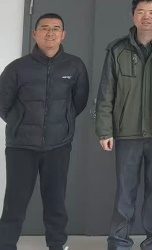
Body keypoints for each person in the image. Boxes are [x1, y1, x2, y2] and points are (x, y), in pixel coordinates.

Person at [0, 13, 90, 250]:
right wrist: (22, 123)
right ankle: (6, 244)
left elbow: (78, 102)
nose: (50, 33)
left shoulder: (75, 66)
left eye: (56, 28)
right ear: (35, 33)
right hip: (21, 147)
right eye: (45, 28)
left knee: (55, 202)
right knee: (15, 203)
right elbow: (3, 105)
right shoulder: (17, 68)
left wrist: (61, 124)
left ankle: (57, 245)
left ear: (63, 34)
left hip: (58, 146)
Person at [95, 0, 152, 250]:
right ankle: (119, 241)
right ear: (133, 16)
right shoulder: (117, 49)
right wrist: (104, 130)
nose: (146, 17)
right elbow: (106, 92)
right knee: (125, 191)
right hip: (126, 133)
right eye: (141, 12)